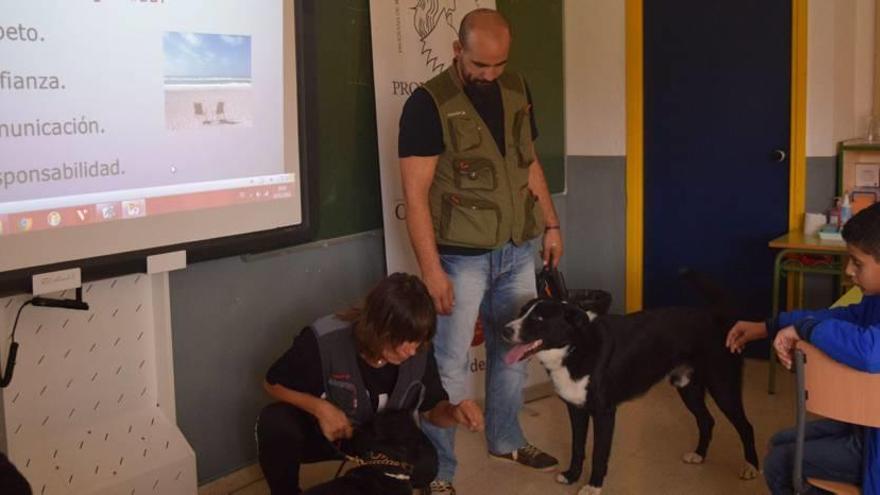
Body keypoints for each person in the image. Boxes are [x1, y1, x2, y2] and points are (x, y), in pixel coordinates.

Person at [398, 8, 562, 494]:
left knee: (513, 349)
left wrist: (551, 223)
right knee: (448, 363)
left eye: (499, 64)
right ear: (457, 51)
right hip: (459, 256)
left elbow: (528, 162)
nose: (490, 75)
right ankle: (440, 471)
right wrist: (432, 271)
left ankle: (506, 439)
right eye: (480, 66)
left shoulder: (517, 88)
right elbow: (416, 195)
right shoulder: (428, 103)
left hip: (518, 246)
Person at [256, 273, 484, 495]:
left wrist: (454, 412)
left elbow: (433, 410)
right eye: (404, 340)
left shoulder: (419, 350)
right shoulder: (325, 339)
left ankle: (361, 482)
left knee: (425, 467)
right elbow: (272, 382)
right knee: (275, 422)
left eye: (418, 341)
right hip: (334, 433)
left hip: (383, 440)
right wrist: (320, 408)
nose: (411, 351)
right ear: (378, 327)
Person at [726, 202, 880, 495]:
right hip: (867, 428)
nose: (849, 270)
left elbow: (870, 351)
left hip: (874, 442)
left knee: (781, 462)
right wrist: (769, 326)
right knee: (781, 442)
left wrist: (805, 329)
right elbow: (841, 317)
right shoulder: (875, 299)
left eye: (857, 263)